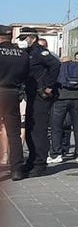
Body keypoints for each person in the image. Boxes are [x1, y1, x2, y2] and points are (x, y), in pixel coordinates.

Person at [23, 34, 59, 177]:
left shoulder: (40, 52)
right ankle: (32, 160)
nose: (22, 41)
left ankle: (40, 164)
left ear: (33, 38)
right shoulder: (28, 53)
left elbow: (56, 65)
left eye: (24, 38)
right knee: (30, 128)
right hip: (31, 93)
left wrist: (49, 86)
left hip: (41, 94)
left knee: (39, 130)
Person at [48, 51, 78, 164]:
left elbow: (51, 82)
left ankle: (56, 154)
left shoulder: (58, 67)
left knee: (56, 127)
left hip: (60, 99)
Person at [0, 25, 31, 180]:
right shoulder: (22, 54)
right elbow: (26, 75)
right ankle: (17, 170)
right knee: (14, 133)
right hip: (12, 93)